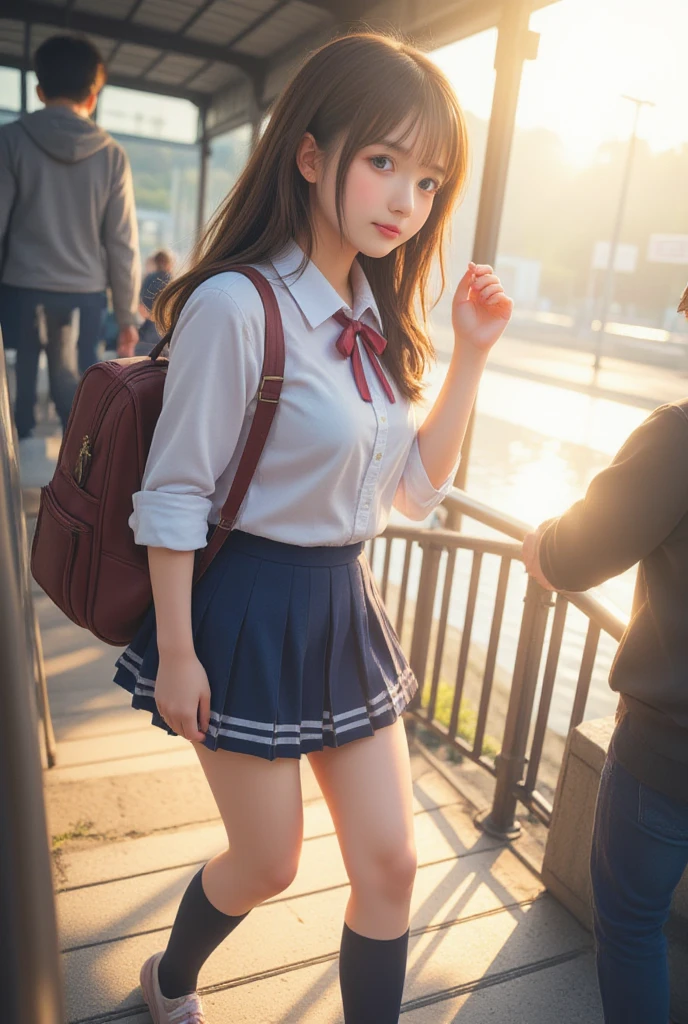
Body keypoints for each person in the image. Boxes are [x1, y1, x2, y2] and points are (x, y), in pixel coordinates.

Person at [113, 32, 512, 1024]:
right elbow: (173, 494)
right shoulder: (235, 306)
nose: (403, 201)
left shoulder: (367, 313)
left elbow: (412, 492)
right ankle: (168, 981)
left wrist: (467, 358)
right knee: (269, 860)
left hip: (342, 605)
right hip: (240, 605)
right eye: (382, 162)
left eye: (426, 181)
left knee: (391, 860)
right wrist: (176, 653)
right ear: (309, 153)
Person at [522, 288, 688, 1024]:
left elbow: (574, 551)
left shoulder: (680, 437)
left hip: (669, 752)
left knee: (630, 927)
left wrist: (544, 542)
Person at [0, 34, 140, 439]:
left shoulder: (10, 140)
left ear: (40, 91)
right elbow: (122, 244)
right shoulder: (112, 154)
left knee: (15, 395)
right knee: (79, 402)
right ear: (92, 96)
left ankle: (11, 488)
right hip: (84, 297)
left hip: (20, 290)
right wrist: (128, 318)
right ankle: (74, 488)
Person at [136, 249, 175, 356]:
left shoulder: (148, 278)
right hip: (166, 327)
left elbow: (140, 305)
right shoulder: (172, 280)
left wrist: (150, 317)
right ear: (169, 263)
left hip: (148, 326)